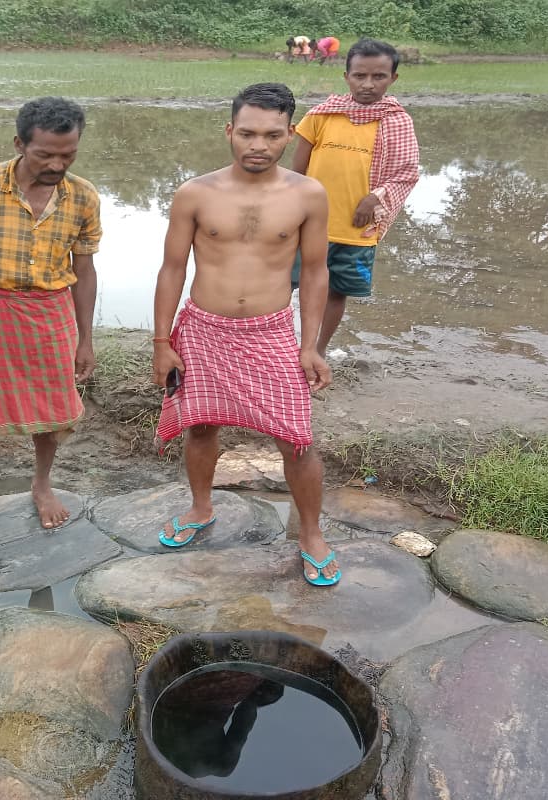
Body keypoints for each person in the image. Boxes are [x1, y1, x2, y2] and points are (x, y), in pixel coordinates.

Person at [152, 83, 340, 586]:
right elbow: (172, 269)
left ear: (290, 134)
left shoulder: (307, 194)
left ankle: (311, 533)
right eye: (247, 133)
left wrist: (310, 345)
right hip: (204, 330)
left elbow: (315, 271)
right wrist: (162, 343)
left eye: (272, 135)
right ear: (229, 131)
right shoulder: (195, 193)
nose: (258, 145)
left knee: (295, 438)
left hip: (270, 331)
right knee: (201, 427)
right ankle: (201, 508)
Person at [0, 96, 102, 548]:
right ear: (19, 144)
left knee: (52, 409)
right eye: (45, 154)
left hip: (52, 311)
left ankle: (42, 484)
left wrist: (86, 339)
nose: (57, 164)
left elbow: (85, 270)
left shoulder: (84, 196)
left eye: (68, 155)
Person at [290, 38, 420, 356]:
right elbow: (296, 175)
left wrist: (375, 197)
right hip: (309, 227)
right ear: (346, 76)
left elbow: (407, 172)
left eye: (379, 76)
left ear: (393, 78)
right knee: (285, 287)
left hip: (354, 231)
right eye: (360, 75)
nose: (368, 84)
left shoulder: (396, 121)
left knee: (337, 292)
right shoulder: (322, 116)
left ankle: (318, 351)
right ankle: (284, 347)